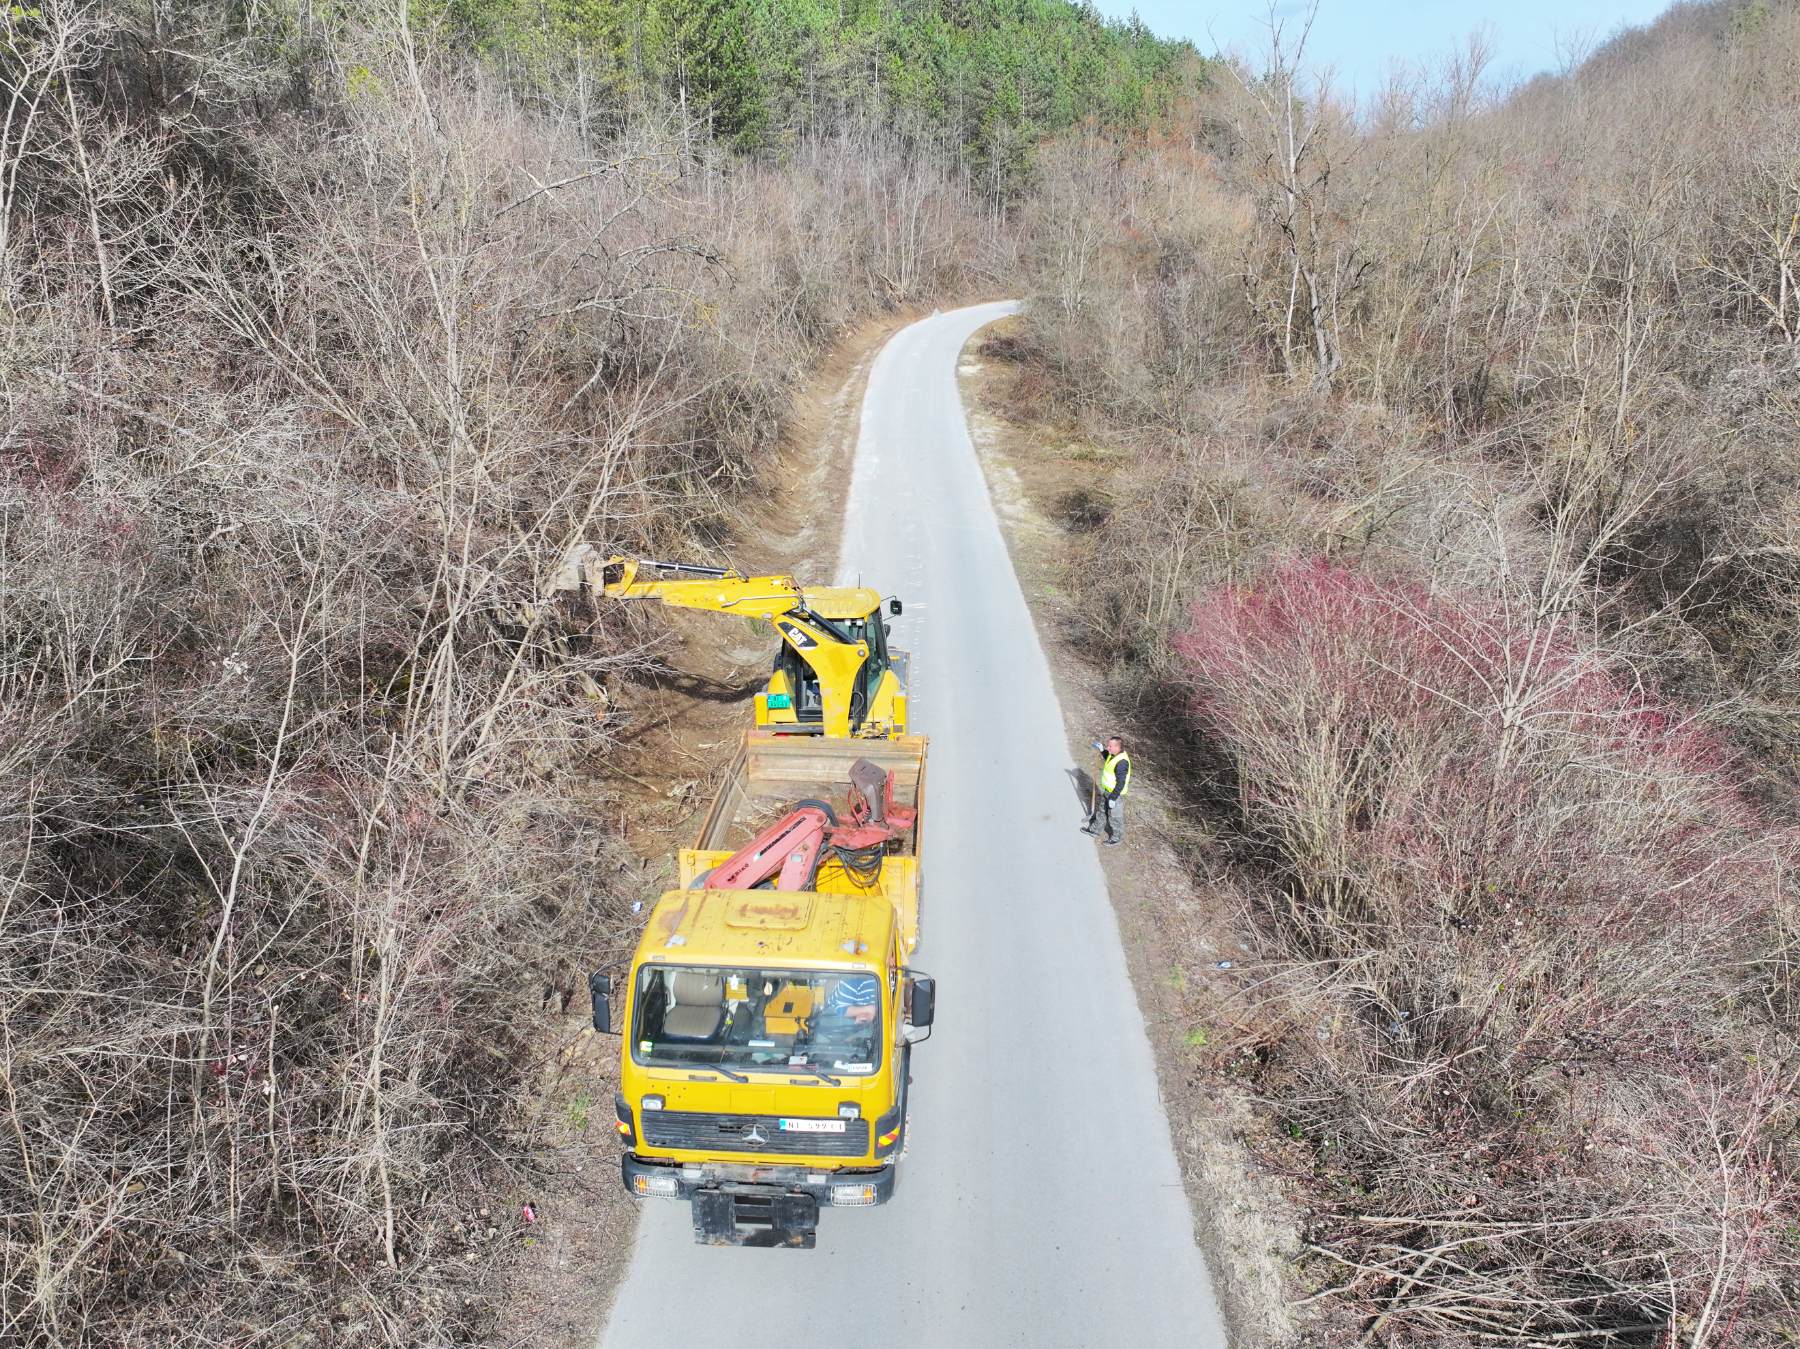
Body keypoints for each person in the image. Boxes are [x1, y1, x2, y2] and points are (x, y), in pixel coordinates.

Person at [1082, 735, 1131, 846]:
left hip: (1115, 795)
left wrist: (1113, 798)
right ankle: (1094, 830)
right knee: (1102, 812)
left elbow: (1121, 783)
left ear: (1118, 747)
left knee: (1115, 818)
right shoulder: (1113, 755)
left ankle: (1117, 838)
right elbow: (1108, 758)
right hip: (1107, 792)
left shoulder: (1122, 762)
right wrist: (1101, 750)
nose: (1108, 748)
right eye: (1107, 745)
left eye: (1110, 746)